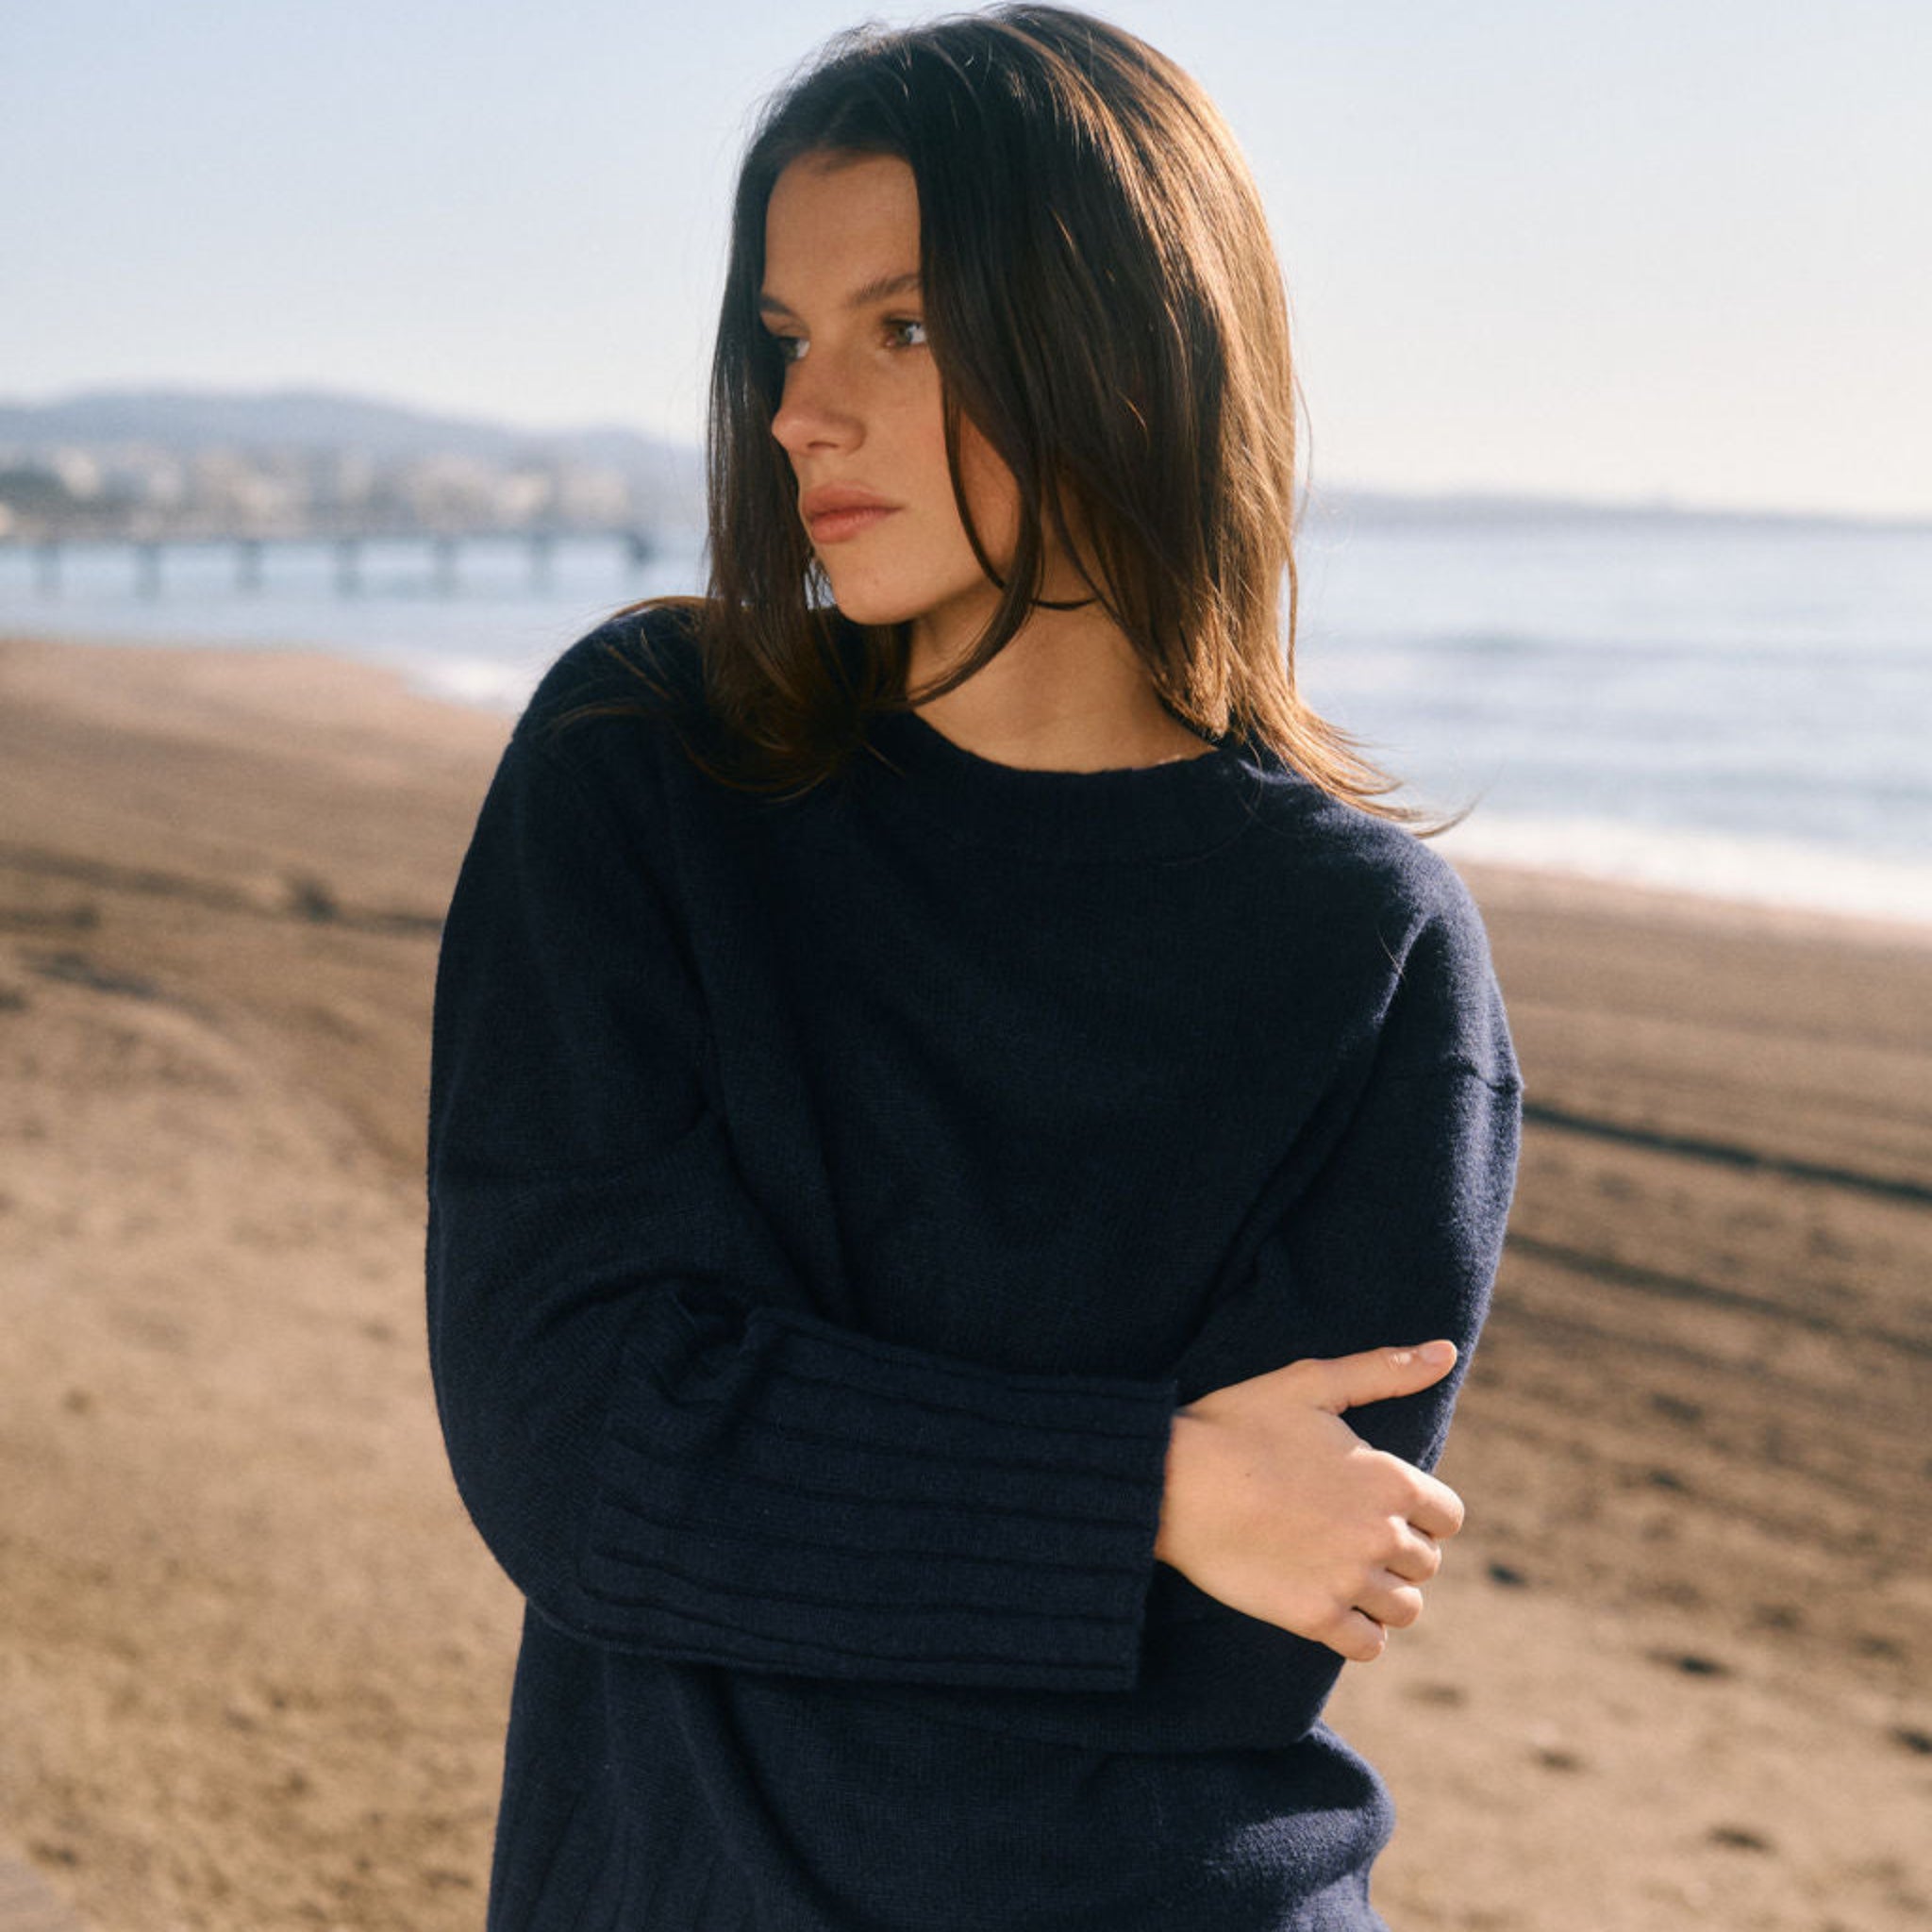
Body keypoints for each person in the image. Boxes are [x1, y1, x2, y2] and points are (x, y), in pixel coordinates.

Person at [425, 6, 1522, 1926]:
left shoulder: (1367, 951)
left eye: (902, 327)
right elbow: (571, 1439)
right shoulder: (647, 761)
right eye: (784, 336)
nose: (800, 412)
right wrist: (1143, 1494)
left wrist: (785, 1477)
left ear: (1123, 341)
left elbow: (1238, 1651)